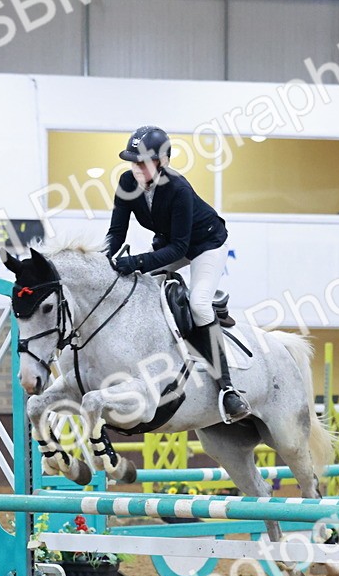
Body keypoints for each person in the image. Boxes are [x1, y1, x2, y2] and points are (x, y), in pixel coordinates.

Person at [104, 125, 250, 423]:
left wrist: (135, 262)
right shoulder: (126, 182)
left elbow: (179, 248)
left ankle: (227, 391)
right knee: (137, 288)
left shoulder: (178, 189)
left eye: (143, 163)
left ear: (163, 162)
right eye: (133, 162)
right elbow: (116, 232)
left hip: (206, 244)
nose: (137, 169)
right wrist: (102, 261)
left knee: (197, 304)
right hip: (170, 244)